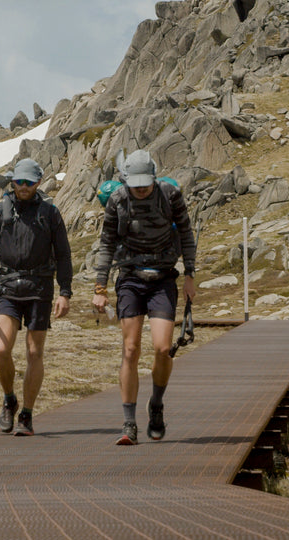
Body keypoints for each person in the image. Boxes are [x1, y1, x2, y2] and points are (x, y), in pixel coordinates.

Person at [91, 150, 197, 445]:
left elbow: (186, 233)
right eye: (134, 184)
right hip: (130, 278)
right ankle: (128, 423)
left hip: (163, 278)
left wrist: (190, 275)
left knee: (163, 348)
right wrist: (100, 288)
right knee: (130, 349)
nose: (139, 189)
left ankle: (157, 404)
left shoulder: (170, 194)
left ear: (153, 178)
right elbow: (107, 243)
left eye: (144, 184)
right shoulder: (117, 200)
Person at [0, 158, 73, 436]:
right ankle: (9, 399)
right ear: (12, 182)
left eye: (29, 182)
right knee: (1, 349)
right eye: (19, 182)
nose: (24, 187)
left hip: (40, 289)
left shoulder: (50, 214)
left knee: (34, 352)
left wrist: (64, 292)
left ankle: (27, 415)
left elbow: (64, 254)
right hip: (7, 286)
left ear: (38, 183)